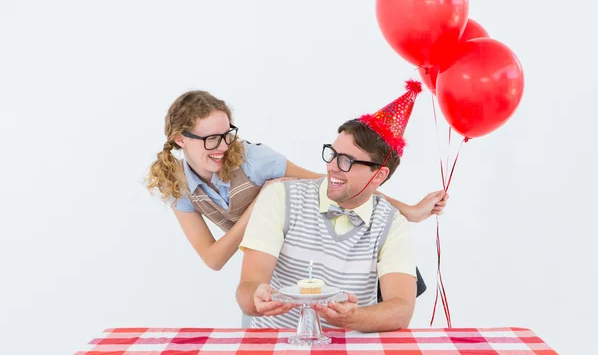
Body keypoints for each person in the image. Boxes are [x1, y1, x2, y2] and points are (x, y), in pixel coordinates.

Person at [145, 89, 447, 272]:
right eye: (212, 139)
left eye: (227, 134)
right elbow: (213, 258)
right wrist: (258, 207)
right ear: (180, 139)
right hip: (277, 267)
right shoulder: (177, 186)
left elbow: (334, 184)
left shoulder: (252, 159)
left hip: (329, 247)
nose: (224, 146)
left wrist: (408, 209)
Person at [236, 80, 424, 331]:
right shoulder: (280, 197)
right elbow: (248, 287)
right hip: (278, 343)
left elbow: (401, 309)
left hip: (350, 347)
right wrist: (255, 299)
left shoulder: (393, 224)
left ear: (378, 175)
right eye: (332, 154)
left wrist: (353, 318)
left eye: (346, 160)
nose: (333, 166)